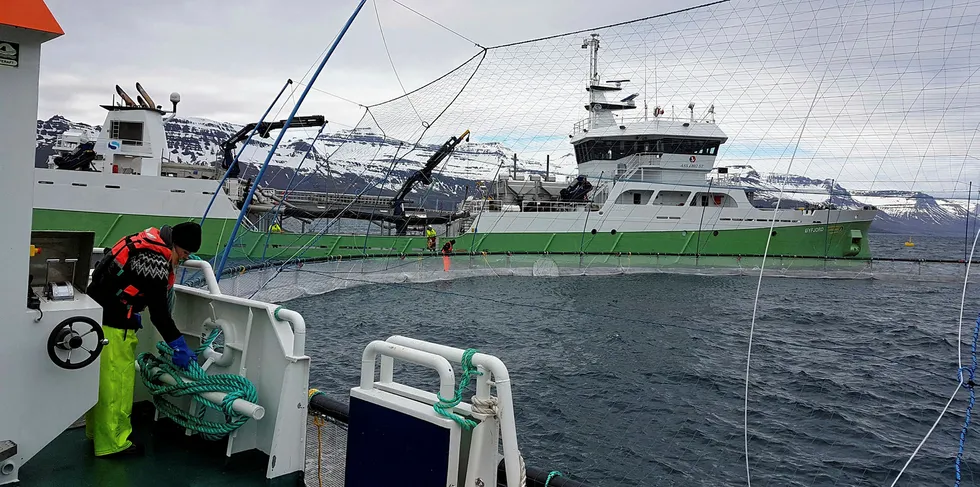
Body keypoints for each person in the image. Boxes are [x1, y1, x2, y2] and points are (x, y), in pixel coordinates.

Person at [85, 222, 202, 457]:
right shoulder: (155, 261)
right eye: (184, 254)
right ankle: (113, 444)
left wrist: (132, 310)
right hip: (114, 327)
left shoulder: (142, 242)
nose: (182, 260)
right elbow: (159, 314)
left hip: (97, 318)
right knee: (116, 387)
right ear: (176, 246)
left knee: (101, 383)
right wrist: (178, 345)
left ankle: (96, 433)